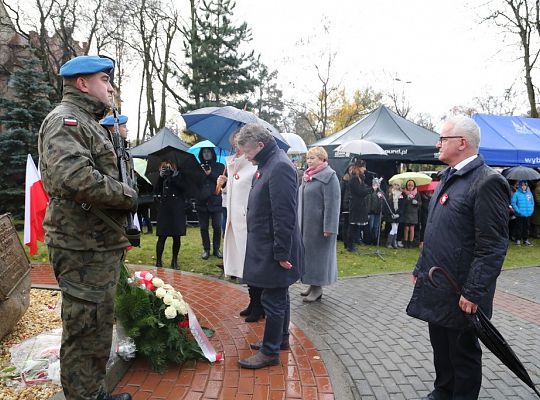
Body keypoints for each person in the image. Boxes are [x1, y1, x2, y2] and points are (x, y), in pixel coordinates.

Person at [38, 55, 134, 400]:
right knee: (84, 330)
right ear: (83, 83)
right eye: (104, 80)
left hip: (95, 243)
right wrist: (129, 196)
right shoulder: (66, 121)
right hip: (81, 247)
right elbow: (73, 176)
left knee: (95, 327)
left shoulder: (88, 121)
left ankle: (93, 393)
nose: (109, 87)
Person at [406, 115, 511, 400]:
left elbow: (493, 245)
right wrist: (420, 267)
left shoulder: (487, 182)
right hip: (439, 284)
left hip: (462, 289)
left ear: (462, 143)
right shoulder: (448, 178)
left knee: (462, 352)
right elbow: (436, 232)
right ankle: (443, 391)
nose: (438, 144)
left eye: (443, 139)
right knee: (441, 346)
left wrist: (474, 291)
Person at [235, 123, 303, 369]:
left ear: (260, 145)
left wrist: (282, 252)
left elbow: (284, 215)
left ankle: (270, 351)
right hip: (267, 245)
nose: (246, 156)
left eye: (247, 152)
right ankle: (280, 340)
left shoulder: (280, 166)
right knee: (278, 296)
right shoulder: (269, 162)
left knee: (272, 298)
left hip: (274, 248)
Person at [216, 135, 262, 322]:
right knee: (243, 265)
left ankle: (259, 304)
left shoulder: (253, 165)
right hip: (234, 221)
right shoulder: (234, 163)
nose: (236, 148)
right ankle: (253, 301)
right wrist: (225, 184)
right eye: (234, 145)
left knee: (251, 265)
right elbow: (231, 194)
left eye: (239, 145)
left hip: (247, 222)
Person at [297, 147, 340, 303]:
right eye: (308, 158)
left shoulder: (329, 177)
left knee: (318, 259)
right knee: (308, 257)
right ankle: (311, 284)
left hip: (320, 228)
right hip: (306, 226)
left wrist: (329, 227)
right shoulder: (308, 176)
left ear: (322, 159)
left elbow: (333, 204)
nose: (309, 161)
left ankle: (317, 288)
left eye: (313, 158)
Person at [154, 160, 187, 269]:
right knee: (162, 236)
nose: (168, 169)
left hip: (177, 208)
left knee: (177, 236)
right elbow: (156, 190)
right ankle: (158, 261)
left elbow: (184, 188)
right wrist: (160, 177)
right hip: (164, 208)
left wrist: (174, 176)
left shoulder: (180, 175)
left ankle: (174, 261)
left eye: (170, 167)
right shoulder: (162, 177)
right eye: (165, 167)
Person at [196, 147, 225, 259]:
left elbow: (221, 182)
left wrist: (210, 173)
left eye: (208, 151)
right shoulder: (198, 167)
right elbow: (195, 182)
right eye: (204, 152)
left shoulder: (220, 166)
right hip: (201, 202)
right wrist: (202, 173)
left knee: (217, 226)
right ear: (201, 154)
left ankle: (216, 249)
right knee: (203, 227)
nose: (206, 154)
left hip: (216, 201)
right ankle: (206, 249)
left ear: (212, 153)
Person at [346, 163, 370, 252]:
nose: (365, 169)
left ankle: (353, 244)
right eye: (363, 167)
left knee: (355, 227)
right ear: (359, 168)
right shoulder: (354, 179)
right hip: (355, 205)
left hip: (360, 205)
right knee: (352, 226)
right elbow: (360, 192)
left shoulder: (360, 179)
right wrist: (371, 190)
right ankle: (350, 245)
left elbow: (363, 190)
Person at [511, 180, 535, 246]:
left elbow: (532, 203)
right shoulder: (516, 194)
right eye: (523, 185)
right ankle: (518, 240)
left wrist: (531, 210)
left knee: (526, 227)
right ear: (520, 186)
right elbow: (513, 203)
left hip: (528, 214)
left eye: (525, 185)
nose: (524, 186)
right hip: (520, 214)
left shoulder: (529, 194)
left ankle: (525, 240)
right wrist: (518, 211)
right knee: (519, 227)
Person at [400, 179, 421, 248]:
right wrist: (407, 199)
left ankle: (411, 243)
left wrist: (416, 202)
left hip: (413, 213)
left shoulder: (417, 193)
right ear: (407, 186)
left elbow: (420, 203)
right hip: (406, 212)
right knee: (406, 228)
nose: (410, 187)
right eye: (409, 185)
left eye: (412, 186)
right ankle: (405, 242)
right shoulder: (404, 193)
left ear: (414, 186)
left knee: (412, 228)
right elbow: (401, 203)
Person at [383, 182, 403, 249]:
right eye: (395, 185)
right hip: (391, 214)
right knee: (393, 228)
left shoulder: (401, 194)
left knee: (396, 229)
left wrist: (399, 213)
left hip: (397, 214)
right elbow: (388, 205)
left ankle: (393, 243)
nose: (396, 186)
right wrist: (391, 213)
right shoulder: (390, 193)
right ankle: (389, 243)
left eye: (398, 185)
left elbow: (402, 205)